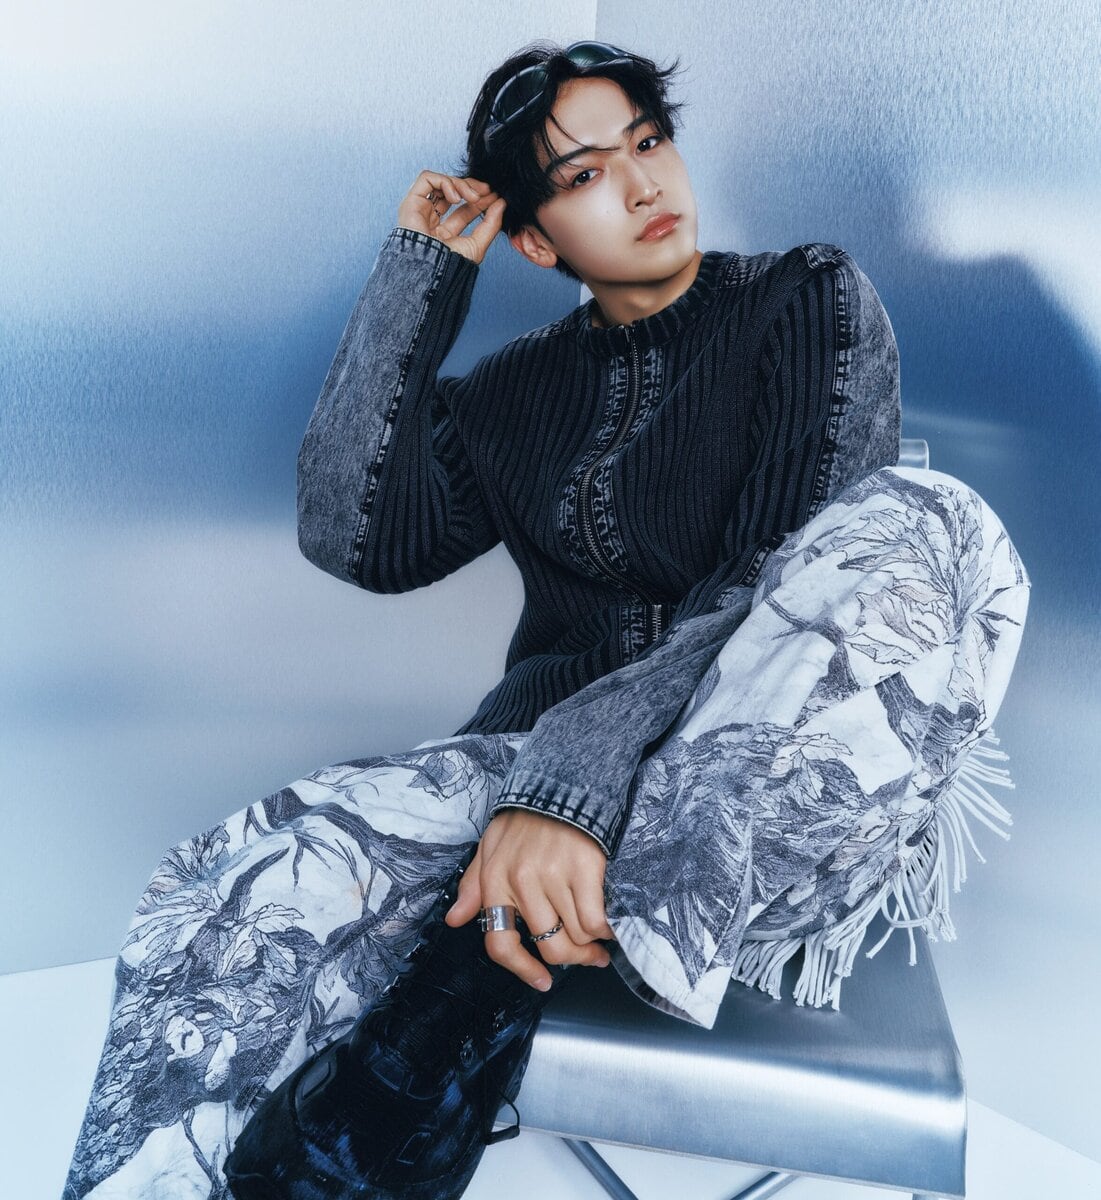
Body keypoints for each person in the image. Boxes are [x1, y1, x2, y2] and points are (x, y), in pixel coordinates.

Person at [62, 39, 1030, 1200]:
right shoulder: (514, 389)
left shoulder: (802, 298)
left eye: (648, 141)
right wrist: (419, 273)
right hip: (525, 788)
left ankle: (451, 1009)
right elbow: (355, 538)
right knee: (230, 885)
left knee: (925, 521)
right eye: (582, 175)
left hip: (756, 800)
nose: (643, 183)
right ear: (534, 238)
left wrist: (569, 787)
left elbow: (775, 574)